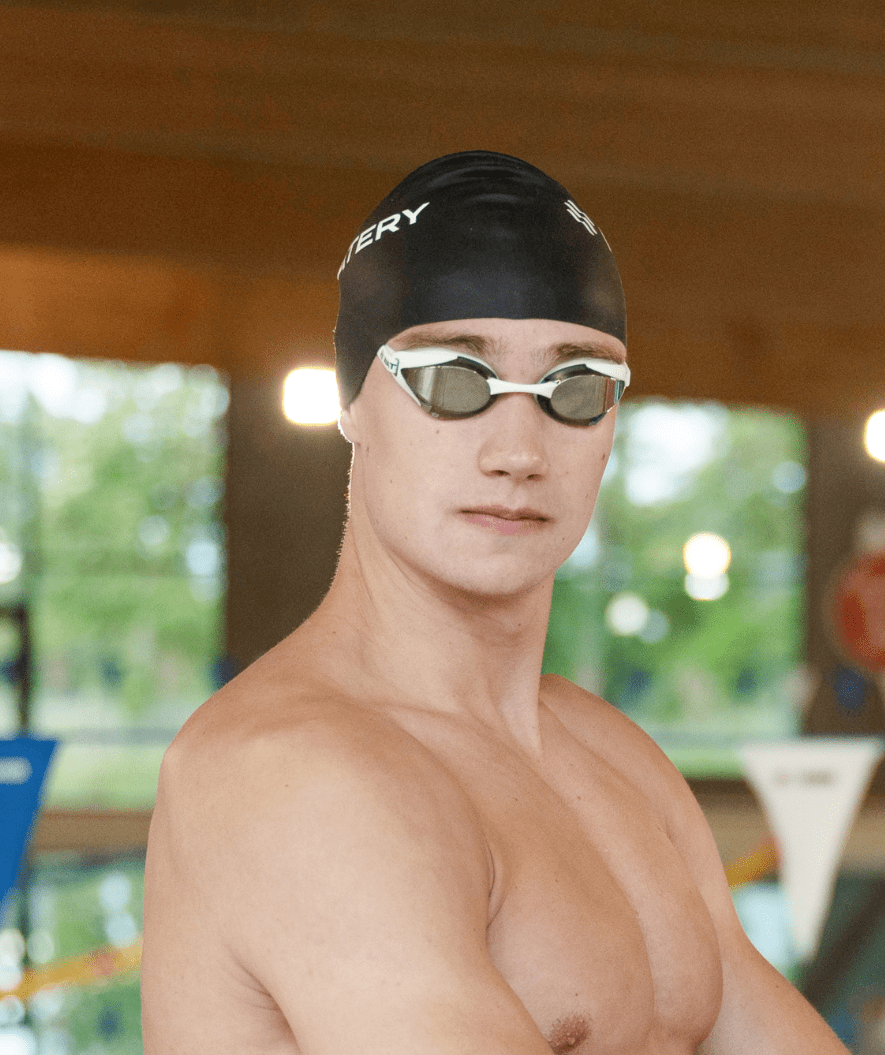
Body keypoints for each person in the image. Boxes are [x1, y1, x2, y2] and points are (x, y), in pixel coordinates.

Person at [141, 151, 848, 1055]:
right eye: (453, 379)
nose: (517, 450)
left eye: (574, 387)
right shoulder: (290, 771)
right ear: (350, 400)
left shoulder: (614, 757)